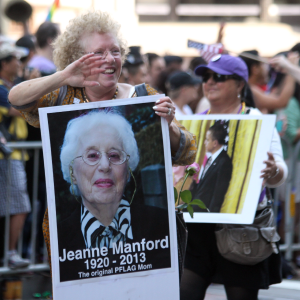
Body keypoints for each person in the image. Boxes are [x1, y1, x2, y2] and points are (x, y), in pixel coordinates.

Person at [8, 10, 197, 273]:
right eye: (98, 53)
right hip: (72, 250)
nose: (110, 59)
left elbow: (187, 151)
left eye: (116, 51)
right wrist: (63, 76)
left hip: (142, 249)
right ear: (78, 59)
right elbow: (16, 98)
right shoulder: (61, 96)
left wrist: (168, 126)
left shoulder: (142, 96)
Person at [180, 54, 288, 300]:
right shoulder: (197, 119)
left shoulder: (255, 120)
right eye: (206, 76)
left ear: (240, 84)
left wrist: (273, 171)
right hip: (196, 229)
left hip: (242, 231)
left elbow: (280, 169)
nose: (210, 82)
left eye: (219, 77)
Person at [56, 109, 170, 281]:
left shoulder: (162, 225)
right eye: (92, 155)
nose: (104, 165)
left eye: (114, 155)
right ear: (73, 173)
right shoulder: (58, 238)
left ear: (127, 169)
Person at [0, 42, 31, 269]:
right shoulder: (3, 89)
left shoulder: (9, 86)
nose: (20, 64)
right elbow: (21, 108)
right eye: (16, 60)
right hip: (7, 156)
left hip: (14, 155)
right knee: (20, 205)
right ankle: (11, 253)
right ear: (4, 63)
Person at [189, 123, 232, 213]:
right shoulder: (211, 158)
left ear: (215, 143)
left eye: (207, 140)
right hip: (195, 207)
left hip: (204, 213)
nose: (204, 142)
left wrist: (210, 216)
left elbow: (218, 194)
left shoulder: (224, 162)